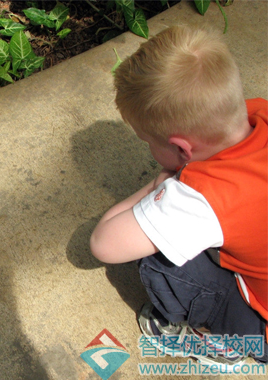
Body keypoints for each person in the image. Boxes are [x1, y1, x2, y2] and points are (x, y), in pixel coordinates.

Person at [90, 25, 267, 370]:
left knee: (160, 260)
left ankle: (221, 340)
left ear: (182, 148)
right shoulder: (258, 111)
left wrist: (163, 184)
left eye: (148, 142)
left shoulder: (205, 196)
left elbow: (104, 243)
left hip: (261, 326)